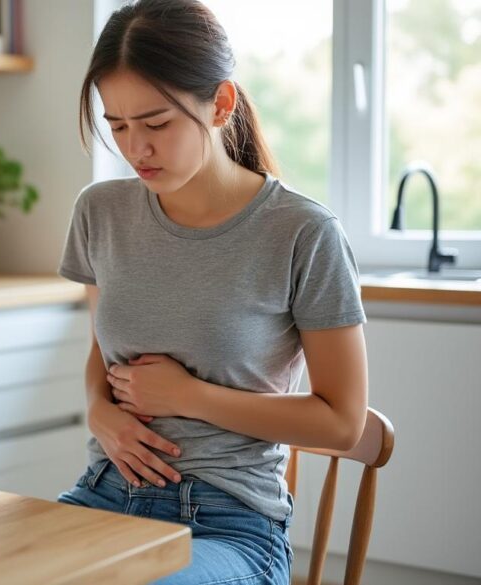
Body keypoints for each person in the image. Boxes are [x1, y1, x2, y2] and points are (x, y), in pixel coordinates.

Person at [55, 1, 369, 584]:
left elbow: (342, 424)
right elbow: (106, 350)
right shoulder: (100, 212)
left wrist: (187, 396)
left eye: (156, 124)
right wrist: (100, 411)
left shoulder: (302, 232)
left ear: (221, 104)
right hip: (102, 495)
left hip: (229, 523)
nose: (135, 149)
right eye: (117, 125)